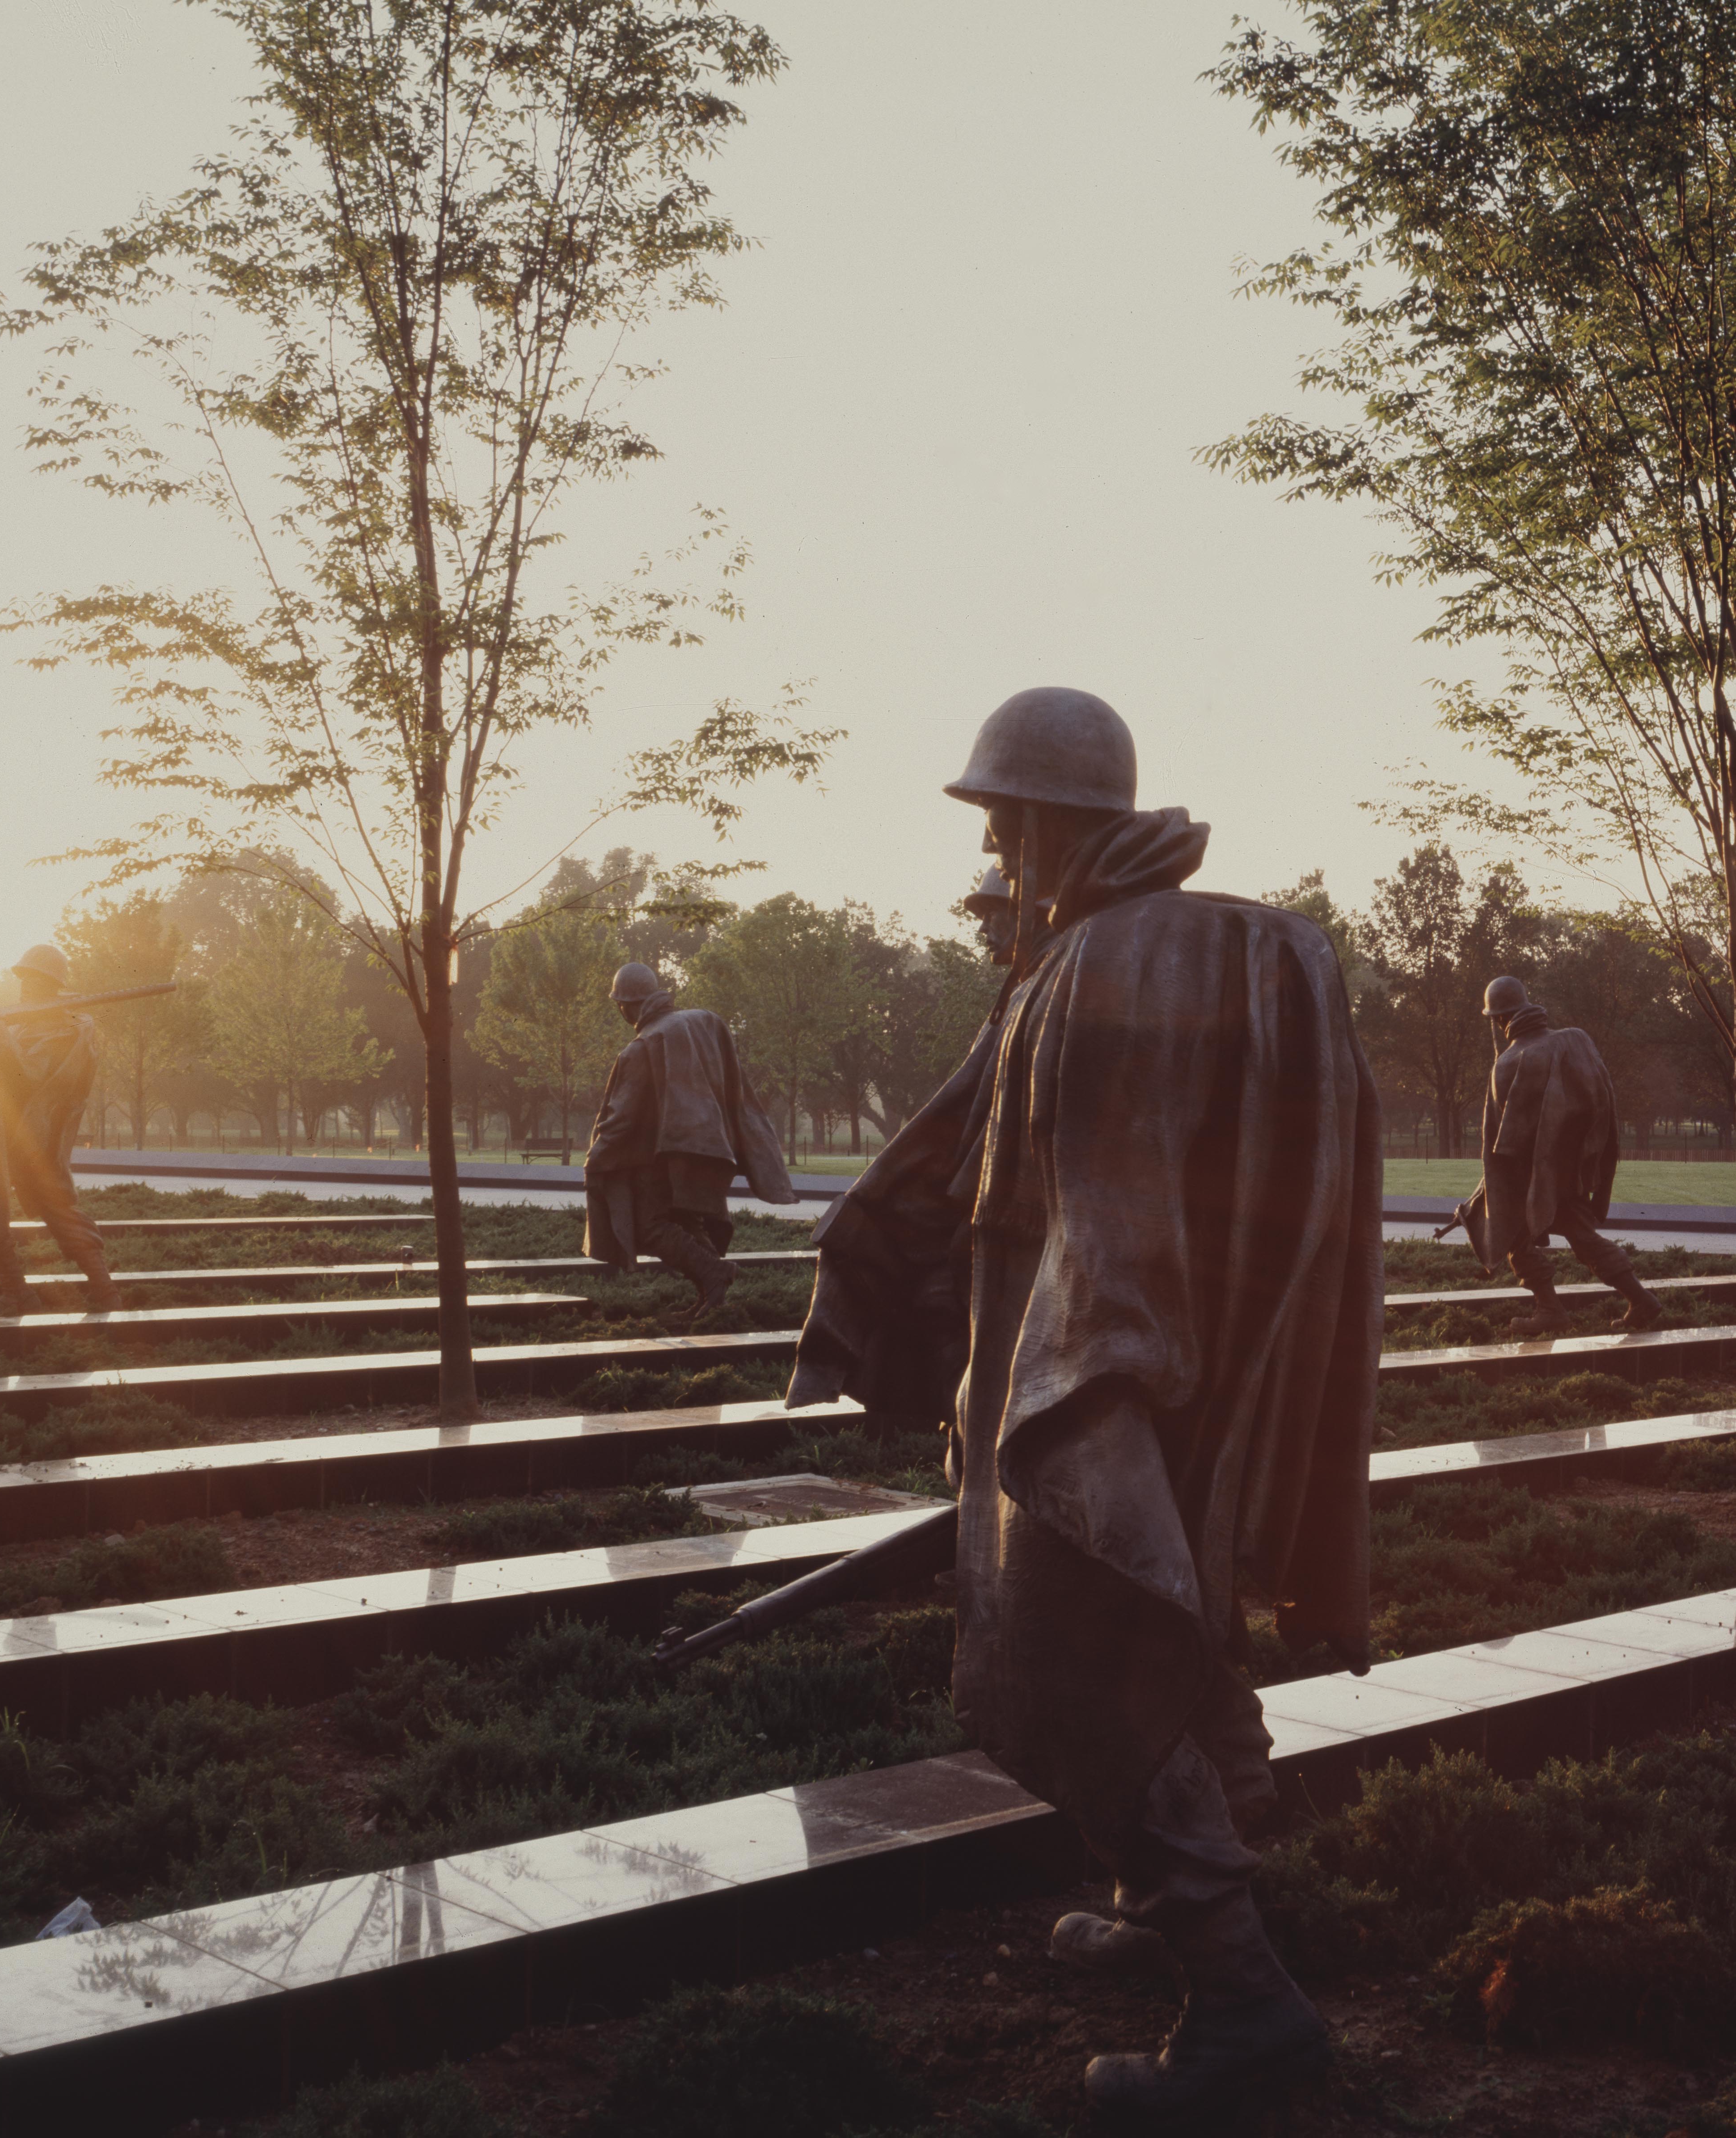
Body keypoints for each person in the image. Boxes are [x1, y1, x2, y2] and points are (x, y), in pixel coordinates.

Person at [783, 687, 1378, 2120]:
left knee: (1080, 1655)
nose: (996, 848)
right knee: (1182, 1625)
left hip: (1088, 1374)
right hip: (1111, 1361)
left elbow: (1111, 1221)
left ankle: (1243, 1999)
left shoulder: (1112, 966)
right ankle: (1173, 1885)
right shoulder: (1113, 952)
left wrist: (1080, 1403)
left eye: (1004, 819)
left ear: (1056, 820)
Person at [581, 961, 797, 1320]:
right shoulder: (696, 1022)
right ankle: (710, 1293)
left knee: (652, 1226)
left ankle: (714, 1273)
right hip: (702, 1147)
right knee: (683, 1217)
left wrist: (595, 1160)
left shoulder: (642, 1046)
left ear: (625, 1004)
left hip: (662, 1156)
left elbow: (620, 1121)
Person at [1453, 974, 1661, 1336]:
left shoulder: (1509, 1063)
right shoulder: (1575, 1039)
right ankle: (1640, 1300)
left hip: (1534, 1178)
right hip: (1573, 1170)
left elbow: (1507, 1150)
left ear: (1499, 1019)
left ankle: (1551, 1310)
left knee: (1513, 1233)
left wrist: (1483, 1201)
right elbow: (1600, 1104)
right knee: (1582, 1236)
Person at [0, 944, 118, 1313]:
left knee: (55, 1211)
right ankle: (17, 1293)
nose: (24, 985)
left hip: (31, 1140)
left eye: (33, 979)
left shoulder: (63, 1032)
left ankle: (103, 1293)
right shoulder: (25, 1025)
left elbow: (23, 1078)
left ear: (51, 985)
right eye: (22, 977)